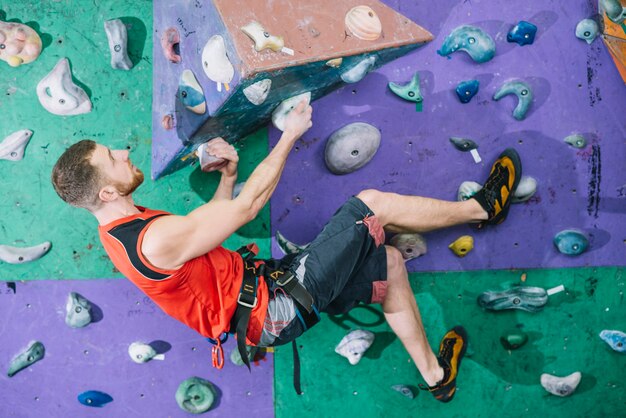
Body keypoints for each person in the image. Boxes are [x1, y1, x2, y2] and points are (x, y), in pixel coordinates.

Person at [51, 101, 522, 403]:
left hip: (269, 296)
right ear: (107, 192)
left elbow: (207, 233)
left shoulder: (117, 231)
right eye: (112, 159)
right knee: (371, 205)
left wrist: (229, 177)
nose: (123, 151)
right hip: (274, 304)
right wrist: (292, 132)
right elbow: (248, 208)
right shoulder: (151, 239)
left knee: (391, 263)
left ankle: (438, 377)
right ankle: (482, 208)